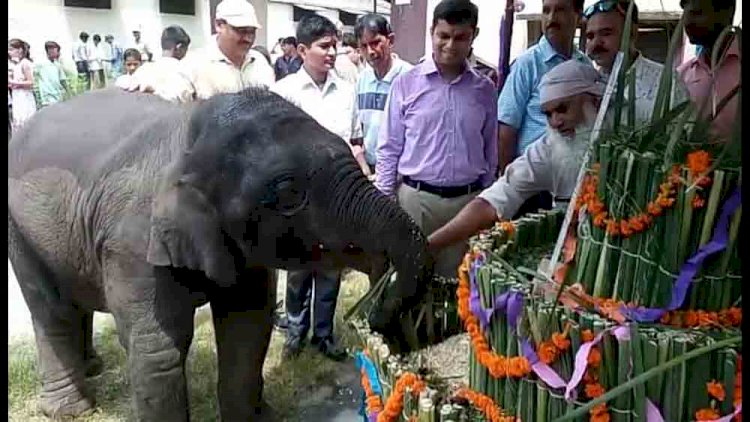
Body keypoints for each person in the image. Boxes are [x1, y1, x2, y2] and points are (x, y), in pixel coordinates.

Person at [375, 0, 498, 278]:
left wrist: (486, 200)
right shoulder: (406, 84)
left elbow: (490, 153)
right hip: (415, 203)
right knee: (410, 282)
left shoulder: (485, 90)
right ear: (432, 32)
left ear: (473, 36)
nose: (451, 46)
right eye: (443, 36)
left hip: (466, 205)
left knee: (461, 287)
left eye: (460, 37)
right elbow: (389, 148)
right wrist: (384, 204)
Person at [428, 60, 604, 252]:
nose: (555, 122)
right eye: (548, 114)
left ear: (594, 101)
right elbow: (492, 202)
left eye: (562, 109)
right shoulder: (550, 150)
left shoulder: (629, 141)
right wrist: (430, 245)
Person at [271, 14, 365, 362]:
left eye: (334, 46)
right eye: (324, 46)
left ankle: (322, 335)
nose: (331, 53)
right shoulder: (283, 93)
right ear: (300, 50)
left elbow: (355, 140)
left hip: (336, 196)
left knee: (330, 267)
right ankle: (295, 331)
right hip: (296, 197)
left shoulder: (347, 90)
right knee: (297, 269)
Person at [497, 0, 588, 216]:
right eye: (546, 10)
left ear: (578, 14)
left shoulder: (584, 65)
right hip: (532, 186)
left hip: (572, 187)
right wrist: (512, 185)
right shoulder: (527, 64)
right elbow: (506, 130)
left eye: (560, 10)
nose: (551, 18)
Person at [583, 0, 688, 126]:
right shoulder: (584, 84)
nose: (596, 43)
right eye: (590, 36)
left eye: (606, 33)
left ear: (632, 33)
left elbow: (683, 137)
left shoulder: (666, 82)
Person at [354, 14, 413, 176]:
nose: (370, 52)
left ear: (390, 40)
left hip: (402, 173)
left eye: (375, 43)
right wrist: (364, 167)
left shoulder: (410, 78)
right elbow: (357, 131)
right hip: (370, 170)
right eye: (364, 46)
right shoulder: (362, 80)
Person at [180, 0, 275, 99]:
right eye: (241, 31)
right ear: (219, 25)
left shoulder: (260, 62)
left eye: (252, 32)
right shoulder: (193, 66)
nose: (248, 39)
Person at [677, 0, 738, 142]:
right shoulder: (682, 76)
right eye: (684, 14)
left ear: (726, 13)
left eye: (696, 13)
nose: (687, 22)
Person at [127, 25, 195, 103]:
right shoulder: (183, 72)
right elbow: (187, 103)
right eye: (186, 49)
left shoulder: (143, 70)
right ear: (179, 48)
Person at [8, 39, 37, 134]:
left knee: (26, 121)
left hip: (25, 97)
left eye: (11, 49)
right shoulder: (16, 65)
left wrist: (15, 83)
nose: (9, 52)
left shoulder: (25, 63)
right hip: (18, 97)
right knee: (18, 123)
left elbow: (31, 82)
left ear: (19, 50)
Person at [35, 41, 70, 108]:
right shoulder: (40, 64)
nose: (57, 53)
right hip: (47, 97)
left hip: (58, 95)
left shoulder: (57, 65)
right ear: (48, 51)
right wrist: (38, 98)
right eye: (55, 51)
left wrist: (69, 92)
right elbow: (35, 81)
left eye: (56, 51)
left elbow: (63, 80)